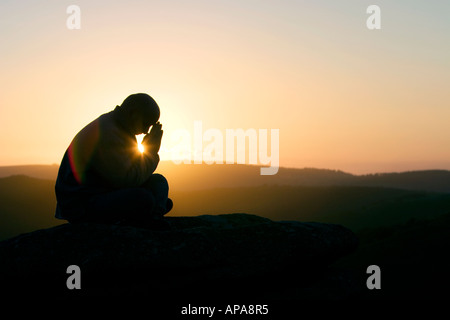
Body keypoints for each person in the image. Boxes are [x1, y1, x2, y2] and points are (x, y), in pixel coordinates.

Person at [55, 93, 172, 229]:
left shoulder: (120, 127)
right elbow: (128, 180)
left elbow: (129, 172)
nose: (146, 131)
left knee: (158, 182)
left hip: (105, 190)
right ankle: (152, 212)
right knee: (143, 198)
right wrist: (151, 153)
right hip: (82, 203)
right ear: (133, 114)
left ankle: (154, 215)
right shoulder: (108, 134)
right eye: (146, 124)